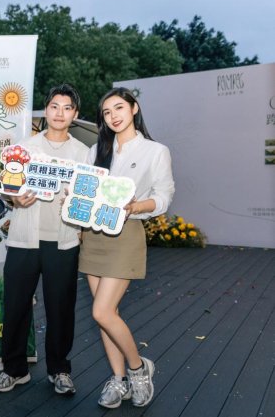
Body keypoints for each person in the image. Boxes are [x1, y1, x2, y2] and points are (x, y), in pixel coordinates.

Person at [79, 87, 175, 409]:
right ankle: (118, 380)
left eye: (119, 108)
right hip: (93, 235)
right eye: (106, 112)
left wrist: (135, 206)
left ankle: (138, 369)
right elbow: (84, 190)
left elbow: (163, 196)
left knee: (101, 311)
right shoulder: (96, 150)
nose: (113, 116)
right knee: (108, 315)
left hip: (125, 233)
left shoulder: (155, 151)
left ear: (134, 108)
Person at [0, 84, 89, 394]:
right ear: (45, 110)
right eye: (54, 106)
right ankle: (14, 370)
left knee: (61, 308)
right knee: (16, 305)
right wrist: (14, 199)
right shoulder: (25, 147)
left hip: (64, 240)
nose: (60, 113)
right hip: (24, 239)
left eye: (67, 108)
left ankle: (59, 370)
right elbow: (6, 186)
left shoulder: (83, 153)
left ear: (75, 114)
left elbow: (89, 196)